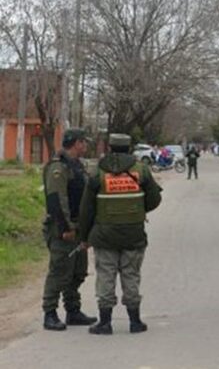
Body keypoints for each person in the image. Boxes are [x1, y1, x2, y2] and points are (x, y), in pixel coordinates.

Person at [79, 133, 162, 335]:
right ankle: (135, 322)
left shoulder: (97, 171)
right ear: (129, 148)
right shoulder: (141, 170)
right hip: (134, 234)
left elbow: (86, 208)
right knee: (131, 275)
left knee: (106, 276)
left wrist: (84, 236)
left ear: (109, 147)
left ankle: (105, 323)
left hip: (104, 234)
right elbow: (154, 199)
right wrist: (137, 210)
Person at [41, 128, 97, 330]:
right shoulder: (58, 167)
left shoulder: (78, 166)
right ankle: (50, 312)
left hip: (79, 227)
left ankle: (73, 311)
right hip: (62, 228)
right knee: (59, 271)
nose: (86, 146)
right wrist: (66, 227)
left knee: (78, 271)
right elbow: (56, 200)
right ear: (77, 143)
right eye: (84, 142)